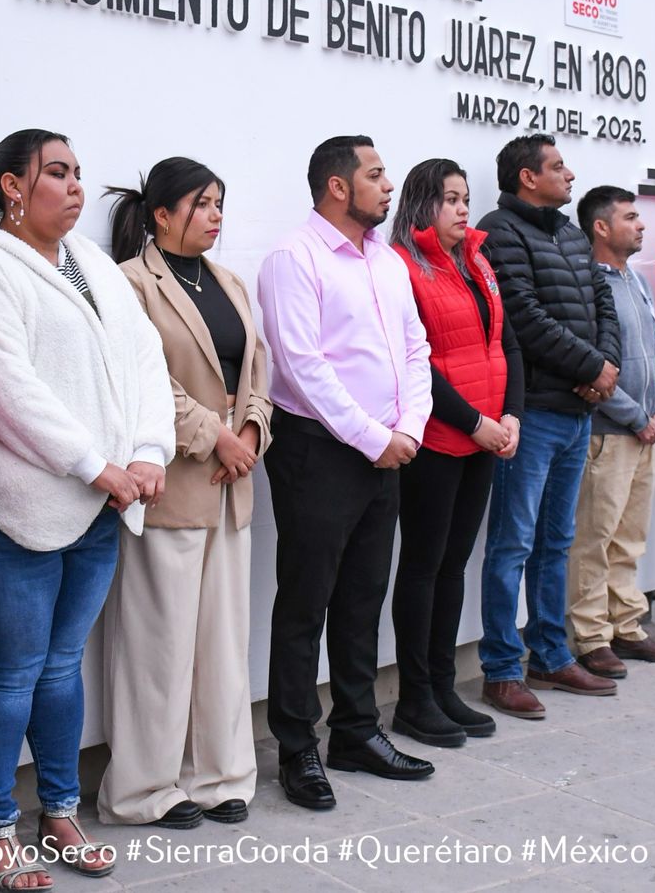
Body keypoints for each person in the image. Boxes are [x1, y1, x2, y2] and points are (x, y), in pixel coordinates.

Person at [0, 130, 175, 889]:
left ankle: (60, 810)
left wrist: (146, 451)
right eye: (58, 173)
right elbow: (1, 385)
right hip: (19, 512)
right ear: (12, 186)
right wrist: (92, 464)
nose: (76, 188)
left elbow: (143, 360)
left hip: (103, 506)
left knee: (62, 669)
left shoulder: (92, 265)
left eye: (79, 174)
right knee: (9, 674)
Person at [259, 135, 434, 810]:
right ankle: (297, 746)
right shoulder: (292, 258)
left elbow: (415, 347)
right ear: (338, 186)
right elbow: (301, 365)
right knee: (305, 603)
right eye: (375, 174)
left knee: (364, 597)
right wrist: (372, 437)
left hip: (387, 447)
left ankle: (357, 732)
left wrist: (408, 430)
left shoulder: (386, 261)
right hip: (319, 450)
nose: (388, 185)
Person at [97, 157, 273, 828]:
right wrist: (214, 435)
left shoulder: (229, 281)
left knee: (223, 642)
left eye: (220, 203)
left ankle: (220, 775)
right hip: (170, 485)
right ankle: (144, 789)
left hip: (233, 487)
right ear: (161, 213)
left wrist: (252, 430)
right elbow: (139, 381)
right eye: (202, 203)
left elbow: (257, 369)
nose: (216, 215)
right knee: (157, 644)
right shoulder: (129, 284)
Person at [476, 134, 624, 719]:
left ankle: (551, 653)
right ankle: (501, 670)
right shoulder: (500, 230)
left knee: (555, 541)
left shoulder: (568, 232)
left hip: (576, 410)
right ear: (527, 177)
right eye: (557, 166)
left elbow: (601, 304)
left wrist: (601, 371)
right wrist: (593, 368)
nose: (569, 174)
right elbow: (523, 317)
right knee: (512, 543)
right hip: (534, 412)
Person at [386, 158, 522, 747]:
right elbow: (420, 368)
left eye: (465, 197)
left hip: (487, 438)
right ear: (421, 204)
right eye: (450, 199)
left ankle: (443, 685)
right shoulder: (402, 268)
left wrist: (510, 415)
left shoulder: (477, 260)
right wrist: (475, 423)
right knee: (422, 566)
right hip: (441, 441)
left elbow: (506, 341)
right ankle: (414, 698)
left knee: (452, 564)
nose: (464, 208)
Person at [566, 186, 655, 679]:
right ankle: (591, 637)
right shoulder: (589, 283)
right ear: (601, 227)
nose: (641, 225)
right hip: (608, 433)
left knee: (630, 537)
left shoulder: (634, 281)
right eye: (631, 217)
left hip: (645, 432)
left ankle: (626, 626)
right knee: (595, 538)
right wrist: (639, 417)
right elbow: (590, 367)